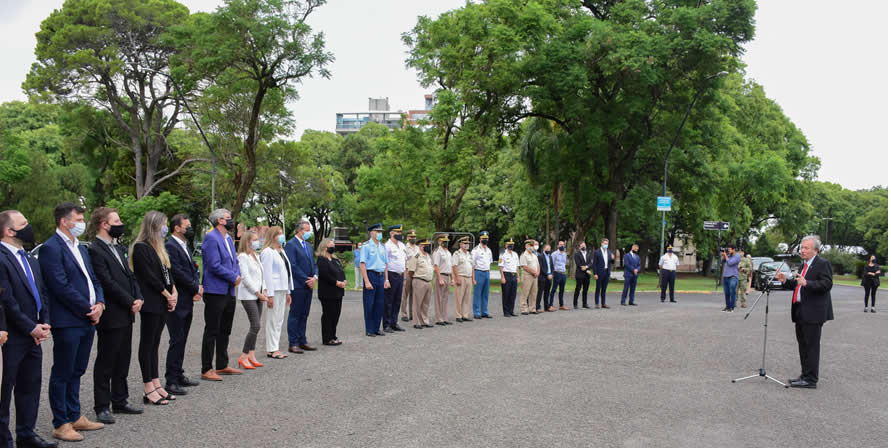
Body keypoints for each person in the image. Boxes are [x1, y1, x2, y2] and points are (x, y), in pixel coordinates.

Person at [39, 202, 106, 441]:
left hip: (88, 318)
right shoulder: (51, 248)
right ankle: (61, 422)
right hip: (68, 319)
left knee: (78, 369)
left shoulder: (81, 247)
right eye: (78, 219)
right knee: (63, 371)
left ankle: (75, 414)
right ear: (64, 221)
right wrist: (88, 308)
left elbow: (93, 279)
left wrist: (100, 303)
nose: (82, 223)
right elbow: (60, 286)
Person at [0, 210, 57, 448]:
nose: (29, 227)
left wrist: (43, 322)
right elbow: (7, 301)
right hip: (12, 336)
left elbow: (41, 292)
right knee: (4, 391)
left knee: (30, 386)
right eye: (23, 224)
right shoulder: (1, 258)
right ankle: (4, 440)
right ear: (9, 231)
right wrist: (30, 327)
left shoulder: (29, 257)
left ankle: (27, 434)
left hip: (34, 334)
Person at [87, 207, 143, 423]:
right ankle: (102, 405)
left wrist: (138, 297)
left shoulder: (118, 248)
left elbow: (130, 276)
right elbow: (106, 282)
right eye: (116, 220)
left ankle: (120, 399)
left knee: (123, 358)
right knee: (106, 360)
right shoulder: (95, 249)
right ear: (104, 224)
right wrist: (130, 301)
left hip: (127, 312)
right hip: (112, 313)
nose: (120, 224)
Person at [130, 211, 178, 406]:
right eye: (163, 224)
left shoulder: (160, 248)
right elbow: (150, 277)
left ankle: (157, 383)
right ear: (154, 226)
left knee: (156, 344)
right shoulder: (141, 248)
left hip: (163, 302)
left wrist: (173, 292)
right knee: (147, 344)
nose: (165, 228)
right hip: (151, 302)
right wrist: (167, 294)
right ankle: (148, 386)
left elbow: (167, 274)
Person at [775, 235, 833, 389]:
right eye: (802, 247)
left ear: (815, 250)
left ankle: (811, 379)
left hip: (814, 312)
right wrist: (785, 281)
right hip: (800, 310)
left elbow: (827, 284)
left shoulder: (822, 264)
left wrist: (807, 282)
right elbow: (797, 285)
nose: (802, 250)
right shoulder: (804, 265)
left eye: (806, 248)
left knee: (811, 345)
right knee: (803, 344)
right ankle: (804, 375)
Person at [200, 208, 243, 381]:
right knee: (212, 329)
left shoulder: (228, 240)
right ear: (220, 220)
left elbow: (235, 261)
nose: (231, 220)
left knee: (225, 329)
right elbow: (213, 265)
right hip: (215, 291)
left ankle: (222, 364)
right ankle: (206, 368)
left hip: (229, 290)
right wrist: (233, 277)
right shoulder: (211, 238)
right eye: (228, 218)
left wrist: (237, 275)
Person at [164, 214, 201, 394]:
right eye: (187, 226)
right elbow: (177, 272)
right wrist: (195, 287)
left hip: (188, 298)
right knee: (176, 339)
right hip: (178, 299)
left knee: (183, 338)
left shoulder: (184, 245)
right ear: (177, 228)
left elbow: (193, 268)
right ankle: (171, 380)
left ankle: (179, 373)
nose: (190, 228)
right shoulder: (170, 246)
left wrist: (196, 287)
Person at [285, 220, 319, 350]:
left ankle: (302, 340)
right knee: (295, 314)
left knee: (305, 313)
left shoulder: (308, 246)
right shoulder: (291, 245)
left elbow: (314, 264)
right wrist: (306, 279)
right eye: (307, 230)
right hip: (298, 285)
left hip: (309, 285)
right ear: (299, 231)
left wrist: (315, 277)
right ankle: (293, 343)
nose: (309, 232)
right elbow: (292, 266)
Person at [236, 230, 267, 370]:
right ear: (248, 241)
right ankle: (243, 356)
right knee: (255, 325)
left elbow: (262, 274)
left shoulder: (256, 255)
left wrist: (264, 289)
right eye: (255, 239)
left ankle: (251, 354)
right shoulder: (243, 257)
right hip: (249, 295)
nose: (257, 242)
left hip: (259, 294)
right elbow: (245, 278)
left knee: (257, 324)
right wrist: (257, 292)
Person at [260, 226, 293, 359]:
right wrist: (270, 295)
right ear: (273, 236)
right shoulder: (268, 252)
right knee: (273, 319)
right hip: (274, 289)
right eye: (279, 234)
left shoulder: (282, 251)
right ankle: (272, 349)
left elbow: (287, 272)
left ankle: (275, 347)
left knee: (279, 320)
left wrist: (288, 292)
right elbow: (266, 274)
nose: (282, 235)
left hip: (283, 289)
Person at [358, 223, 389, 337]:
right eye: (377, 231)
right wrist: (366, 281)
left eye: (380, 232)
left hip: (381, 276)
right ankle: (369, 329)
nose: (379, 233)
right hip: (371, 275)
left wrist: (386, 279)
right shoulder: (366, 246)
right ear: (371, 232)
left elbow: (385, 264)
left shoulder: (382, 247)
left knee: (379, 304)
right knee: (369, 303)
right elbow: (362, 264)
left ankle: (376, 328)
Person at [316, 238, 346, 345]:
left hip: (338, 292)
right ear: (325, 247)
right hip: (327, 292)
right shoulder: (321, 259)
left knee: (336, 314)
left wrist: (344, 280)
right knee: (328, 315)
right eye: (331, 245)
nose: (333, 247)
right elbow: (324, 274)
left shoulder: (335, 259)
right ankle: (327, 338)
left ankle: (333, 335)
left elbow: (341, 272)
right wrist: (336, 282)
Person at [383, 225, 407, 332]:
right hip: (391, 275)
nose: (400, 235)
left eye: (400, 233)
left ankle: (394, 322)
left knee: (397, 300)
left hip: (400, 275)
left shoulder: (402, 245)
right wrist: (386, 279)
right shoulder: (387, 246)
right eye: (398, 233)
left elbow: (404, 262)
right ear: (391, 233)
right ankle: (386, 324)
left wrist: (405, 277)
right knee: (389, 301)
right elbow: (385, 264)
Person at [408, 239, 434, 329]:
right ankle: (416, 322)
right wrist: (416, 278)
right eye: (426, 245)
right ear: (421, 246)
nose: (428, 246)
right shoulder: (416, 256)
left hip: (428, 281)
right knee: (417, 303)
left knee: (426, 303)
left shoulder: (428, 256)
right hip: (419, 280)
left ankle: (425, 321)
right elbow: (411, 271)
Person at [451, 236, 474, 322]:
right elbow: (454, 266)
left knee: (467, 298)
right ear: (460, 244)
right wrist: (456, 278)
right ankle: (458, 315)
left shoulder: (469, 254)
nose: (467, 245)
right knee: (459, 297)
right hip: (461, 276)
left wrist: (472, 278)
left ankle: (465, 315)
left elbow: (472, 266)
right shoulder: (457, 254)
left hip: (468, 277)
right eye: (465, 243)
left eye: (468, 243)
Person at [471, 231, 494, 319]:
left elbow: (490, 262)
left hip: (486, 272)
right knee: (477, 293)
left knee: (485, 294)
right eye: (483, 238)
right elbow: (472, 265)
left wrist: (488, 273)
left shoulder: (489, 250)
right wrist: (473, 278)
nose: (485, 240)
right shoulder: (475, 250)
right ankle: (476, 312)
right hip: (478, 272)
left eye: (486, 238)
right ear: (480, 239)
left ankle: (484, 311)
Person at [432, 235, 453, 325]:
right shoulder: (437, 252)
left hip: (447, 276)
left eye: (447, 241)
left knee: (445, 298)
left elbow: (450, 266)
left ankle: (444, 317)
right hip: (441, 276)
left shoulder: (448, 252)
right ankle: (438, 318)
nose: (446, 242)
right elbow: (436, 266)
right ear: (439, 242)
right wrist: (440, 278)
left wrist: (452, 278)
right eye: (444, 241)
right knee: (439, 298)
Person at [400, 230, 419, 322]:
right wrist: (403, 275)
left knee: (414, 294)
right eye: (411, 237)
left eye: (414, 237)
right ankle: (404, 313)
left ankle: (412, 314)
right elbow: (403, 261)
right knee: (405, 294)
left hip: (416, 273)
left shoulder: (418, 248)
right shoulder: (404, 247)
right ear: (407, 238)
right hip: (407, 271)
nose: (413, 238)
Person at [518, 239, 540, 315]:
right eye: (530, 245)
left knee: (534, 293)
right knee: (525, 292)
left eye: (532, 245)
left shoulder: (534, 255)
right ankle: (523, 309)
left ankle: (532, 308)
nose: (531, 247)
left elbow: (538, 265)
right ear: (526, 246)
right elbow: (524, 266)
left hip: (535, 276)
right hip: (527, 275)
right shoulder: (523, 255)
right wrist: (534, 272)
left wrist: (537, 272)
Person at [498, 239, 519, 317]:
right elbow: (500, 267)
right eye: (509, 244)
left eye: (512, 244)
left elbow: (517, 266)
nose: (511, 246)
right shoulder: (502, 254)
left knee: (513, 294)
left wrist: (518, 276)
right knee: (506, 294)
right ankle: (506, 312)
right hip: (506, 275)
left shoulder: (515, 254)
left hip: (514, 275)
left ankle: (511, 311)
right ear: (506, 245)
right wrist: (502, 277)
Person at [593, 238, 614, 309]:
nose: (606, 245)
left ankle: (603, 303)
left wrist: (613, 258)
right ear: (601, 244)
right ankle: (596, 303)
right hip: (599, 272)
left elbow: (612, 262)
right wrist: (595, 273)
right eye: (605, 243)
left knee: (604, 289)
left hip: (606, 272)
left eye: (607, 244)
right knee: (598, 288)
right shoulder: (597, 252)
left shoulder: (609, 252)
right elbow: (594, 264)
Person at [550, 242, 569, 310]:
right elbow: (551, 264)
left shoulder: (564, 254)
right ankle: (550, 305)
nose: (562, 246)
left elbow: (564, 263)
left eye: (563, 245)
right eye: (561, 245)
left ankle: (561, 305)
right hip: (557, 273)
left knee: (562, 290)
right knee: (554, 289)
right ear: (558, 245)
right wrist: (551, 273)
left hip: (563, 273)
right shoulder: (554, 254)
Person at [721, 245, 740, 312]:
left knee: (732, 292)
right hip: (725, 276)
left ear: (734, 249)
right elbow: (722, 261)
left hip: (733, 277)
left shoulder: (737, 256)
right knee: (727, 293)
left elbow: (730, 263)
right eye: (728, 249)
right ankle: (727, 306)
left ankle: (732, 307)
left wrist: (726, 256)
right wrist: (723, 255)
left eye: (730, 249)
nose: (728, 250)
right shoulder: (728, 255)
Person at [573, 241, 591, 309]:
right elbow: (579, 264)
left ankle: (585, 303)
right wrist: (586, 269)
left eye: (584, 245)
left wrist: (586, 268)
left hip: (587, 275)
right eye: (582, 246)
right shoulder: (577, 254)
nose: (584, 247)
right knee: (578, 289)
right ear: (580, 247)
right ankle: (575, 304)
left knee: (585, 290)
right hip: (579, 274)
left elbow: (590, 264)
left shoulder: (588, 254)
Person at [536, 244, 554, 312]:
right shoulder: (540, 256)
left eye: (549, 249)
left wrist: (551, 274)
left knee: (547, 293)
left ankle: (547, 307)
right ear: (544, 249)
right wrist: (547, 274)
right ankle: (537, 307)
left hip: (549, 277)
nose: (548, 250)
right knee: (540, 293)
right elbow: (541, 267)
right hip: (542, 277)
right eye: (547, 249)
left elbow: (552, 266)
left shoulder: (550, 257)